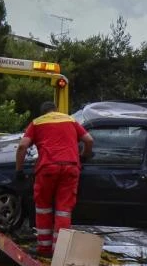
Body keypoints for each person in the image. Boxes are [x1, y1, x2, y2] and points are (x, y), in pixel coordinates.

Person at [15, 101, 93, 257]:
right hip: (71, 167)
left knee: (43, 208)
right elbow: (89, 140)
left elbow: (23, 146)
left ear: (43, 113)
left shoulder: (37, 123)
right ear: (56, 110)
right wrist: (83, 156)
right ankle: (59, 251)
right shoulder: (70, 120)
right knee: (64, 211)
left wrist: (19, 170)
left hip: (47, 168)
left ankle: (44, 249)